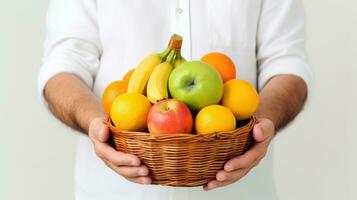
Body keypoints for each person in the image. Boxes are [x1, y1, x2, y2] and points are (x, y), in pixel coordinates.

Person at [38, 0, 312, 199]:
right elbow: (64, 64)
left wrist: (263, 123)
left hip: (240, 192)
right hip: (111, 192)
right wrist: (94, 123)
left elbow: (286, 63)